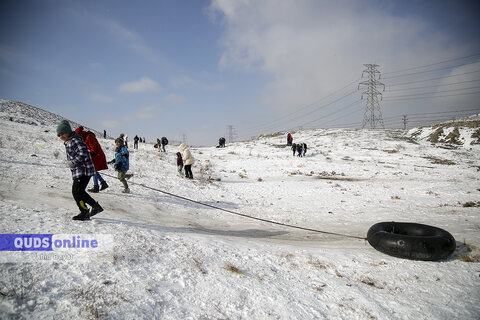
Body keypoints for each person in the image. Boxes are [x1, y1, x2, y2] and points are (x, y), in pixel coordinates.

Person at [56, 120, 103, 221]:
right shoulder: (70, 141)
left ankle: (84, 212)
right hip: (81, 171)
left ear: (67, 132)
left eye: (62, 134)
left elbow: (83, 153)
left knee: (76, 192)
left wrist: (74, 162)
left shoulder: (74, 140)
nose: (61, 137)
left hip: (83, 171)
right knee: (79, 191)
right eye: (59, 135)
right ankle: (95, 206)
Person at [75, 127, 109, 193]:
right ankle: (102, 183)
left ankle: (97, 186)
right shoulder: (86, 137)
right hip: (95, 155)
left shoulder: (89, 137)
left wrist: (88, 154)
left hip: (97, 156)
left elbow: (93, 149)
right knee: (93, 170)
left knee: (93, 170)